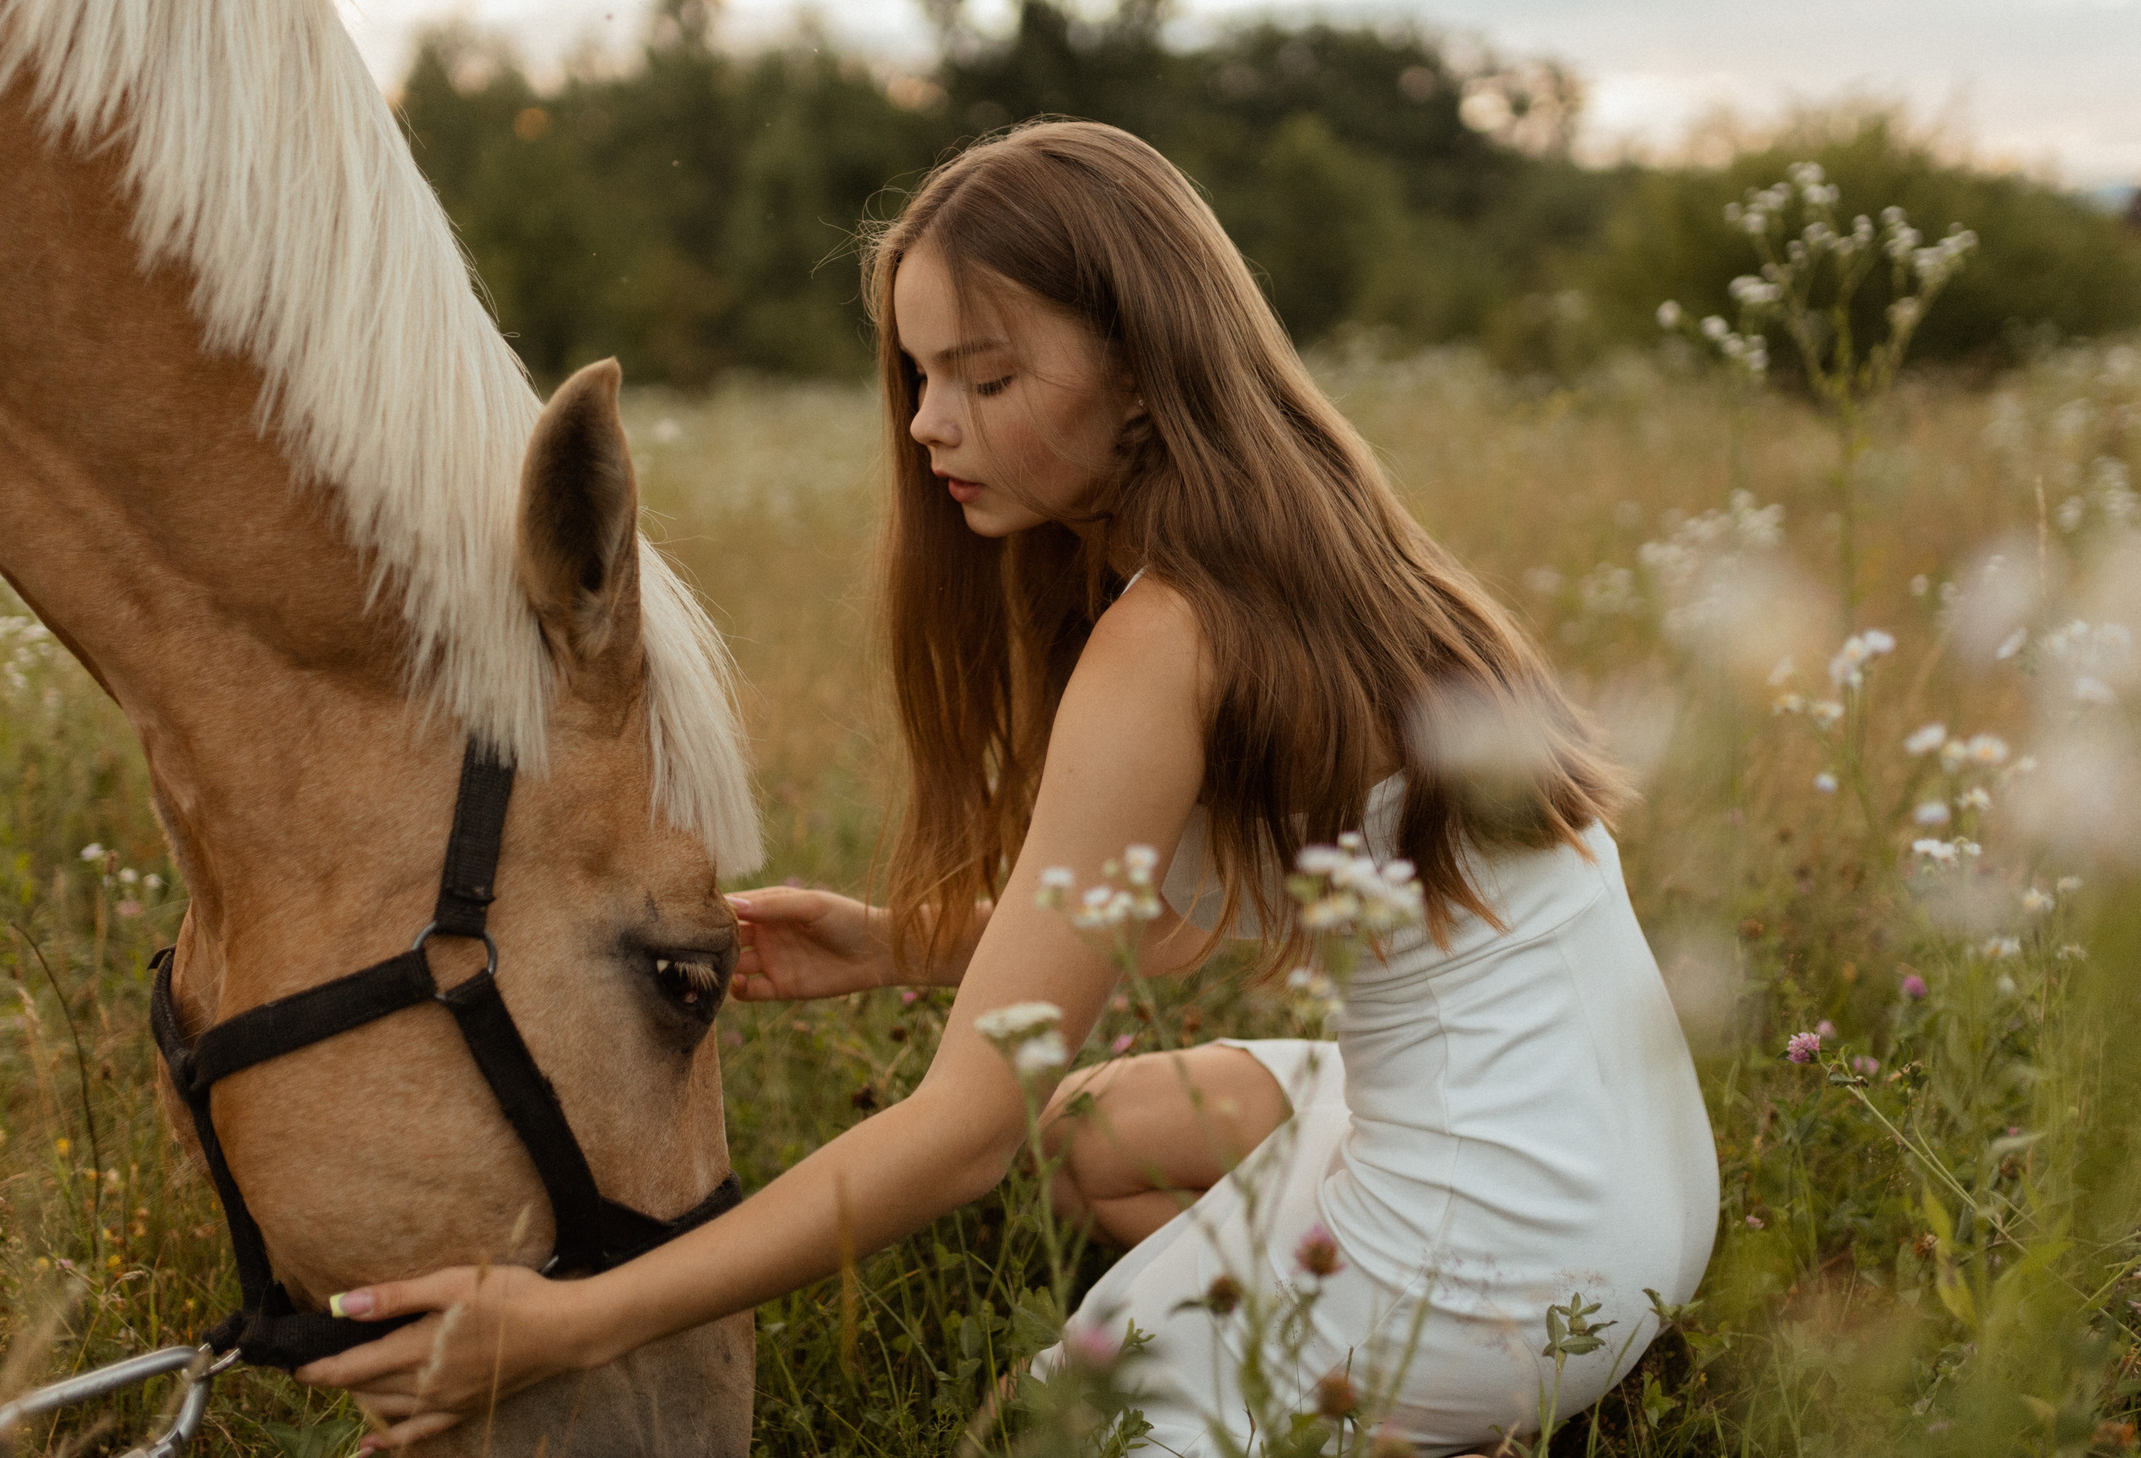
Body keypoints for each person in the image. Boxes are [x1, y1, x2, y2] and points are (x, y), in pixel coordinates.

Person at [304, 120, 1718, 1454]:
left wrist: (566, 1322)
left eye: (989, 379)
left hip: (1503, 1243)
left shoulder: (1169, 635)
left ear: (1148, 374)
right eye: (918, 377)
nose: (930, 424)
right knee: (1094, 1143)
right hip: (1638, 1178)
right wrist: (899, 945)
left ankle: (1424, 1399)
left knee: (1043, 1425)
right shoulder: (1328, 554)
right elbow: (1174, 920)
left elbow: (957, 1137)